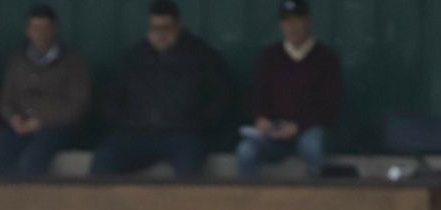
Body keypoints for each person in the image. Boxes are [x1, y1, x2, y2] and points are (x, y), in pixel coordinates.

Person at [91, 0, 230, 178]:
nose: (160, 34)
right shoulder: (133, 57)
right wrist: (125, 121)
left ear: (179, 26)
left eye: (167, 28)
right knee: (104, 160)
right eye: (155, 28)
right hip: (137, 132)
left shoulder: (201, 56)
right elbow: (110, 96)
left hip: (183, 134)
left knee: (189, 175)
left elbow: (221, 96)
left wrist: (199, 122)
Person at [236, 0, 342, 178]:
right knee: (246, 150)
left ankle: (319, 202)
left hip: (307, 130)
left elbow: (330, 106)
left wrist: (298, 126)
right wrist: (261, 119)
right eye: (286, 21)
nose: (292, 27)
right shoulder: (269, 57)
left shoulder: (326, 58)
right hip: (274, 132)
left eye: (297, 20)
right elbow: (256, 96)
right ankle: (249, 204)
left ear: (308, 22)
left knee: (313, 147)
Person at [0, 4, 90, 177]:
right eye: (35, 28)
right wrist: (14, 118)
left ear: (54, 29)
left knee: (32, 159)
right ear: (28, 30)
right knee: (1, 153)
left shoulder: (72, 62)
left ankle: (35, 201)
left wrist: (41, 122)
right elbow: (6, 100)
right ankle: (11, 199)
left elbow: (77, 106)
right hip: (21, 126)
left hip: (56, 128)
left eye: (45, 28)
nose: (40, 34)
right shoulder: (18, 61)